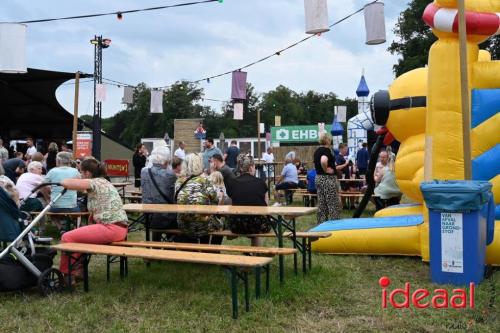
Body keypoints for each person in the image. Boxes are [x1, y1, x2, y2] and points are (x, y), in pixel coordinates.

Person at [58, 158, 128, 284]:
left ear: (87, 173)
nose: (79, 176)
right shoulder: (104, 182)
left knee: (67, 237)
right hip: (118, 228)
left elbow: (67, 184)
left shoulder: (94, 182)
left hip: (111, 228)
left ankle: (67, 276)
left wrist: (61, 180)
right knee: (77, 237)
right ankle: (77, 272)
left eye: (80, 172)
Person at [175, 153, 223, 243]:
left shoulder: (179, 182)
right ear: (199, 164)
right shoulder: (206, 181)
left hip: (184, 224)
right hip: (203, 226)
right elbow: (215, 201)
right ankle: (211, 250)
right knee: (220, 224)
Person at [226, 153, 270, 246]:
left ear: (241, 168)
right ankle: (256, 252)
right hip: (258, 225)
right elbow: (266, 205)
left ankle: (254, 252)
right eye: (254, 167)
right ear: (251, 167)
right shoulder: (261, 183)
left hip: (237, 225)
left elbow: (230, 202)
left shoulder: (232, 183)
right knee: (258, 218)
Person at [141, 146, 177, 241]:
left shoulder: (144, 172)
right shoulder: (170, 175)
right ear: (166, 161)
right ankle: (170, 247)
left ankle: (156, 246)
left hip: (148, 218)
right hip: (167, 218)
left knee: (158, 219)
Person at [44, 152, 81, 234]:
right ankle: (76, 229)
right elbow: (81, 185)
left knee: (51, 212)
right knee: (79, 210)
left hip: (55, 206)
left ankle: (61, 228)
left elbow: (43, 185)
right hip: (72, 207)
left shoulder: (52, 171)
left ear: (58, 161)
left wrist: (47, 197)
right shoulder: (75, 171)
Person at [314, 133, 341, 224]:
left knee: (322, 204)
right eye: (330, 140)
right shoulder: (326, 150)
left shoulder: (317, 151)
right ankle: (335, 225)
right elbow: (323, 160)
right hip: (327, 179)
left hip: (319, 178)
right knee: (333, 203)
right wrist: (326, 170)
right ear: (327, 140)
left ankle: (321, 225)